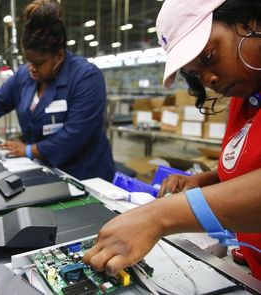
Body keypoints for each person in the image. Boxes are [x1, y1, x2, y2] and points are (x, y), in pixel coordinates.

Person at [84, 0, 261, 280]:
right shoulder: (245, 99)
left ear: (248, 22)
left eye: (208, 57)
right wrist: (204, 182)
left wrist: (159, 216)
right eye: (194, 75)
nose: (208, 80)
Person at [0, 0, 116, 182]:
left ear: (59, 56)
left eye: (38, 63)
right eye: (28, 61)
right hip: (48, 171)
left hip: (87, 176)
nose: (31, 68)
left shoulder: (86, 77)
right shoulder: (25, 75)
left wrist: (29, 150)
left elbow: (75, 134)